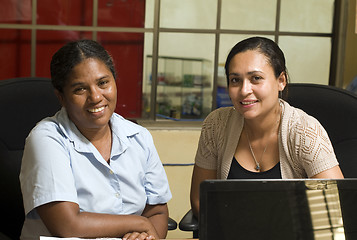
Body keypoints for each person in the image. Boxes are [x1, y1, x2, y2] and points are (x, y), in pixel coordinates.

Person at [19, 39, 172, 240]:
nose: (96, 97)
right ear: (61, 97)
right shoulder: (47, 138)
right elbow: (67, 225)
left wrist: (149, 237)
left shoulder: (139, 137)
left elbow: (157, 212)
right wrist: (140, 223)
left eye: (103, 83)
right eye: (80, 89)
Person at [190, 36, 344, 217]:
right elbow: (200, 200)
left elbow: (337, 207)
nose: (244, 90)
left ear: (281, 81)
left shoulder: (305, 131)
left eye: (256, 78)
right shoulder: (216, 125)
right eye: (235, 80)